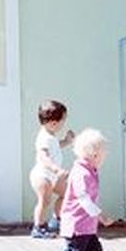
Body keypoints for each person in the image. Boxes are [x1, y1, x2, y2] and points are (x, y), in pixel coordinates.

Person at [51, 129, 126, 251]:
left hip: (85, 224)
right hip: (77, 224)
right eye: (103, 154)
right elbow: (83, 199)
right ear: (94, 154)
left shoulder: (88, 170)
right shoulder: (82, 173)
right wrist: (101, 216)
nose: (104, 158)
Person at [29, 100, 75, 239]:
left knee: (66, 194)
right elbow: (43, 156)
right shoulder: (43, 137)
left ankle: (56, 220)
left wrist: (66, 141)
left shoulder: (51, 136)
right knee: (45, 201)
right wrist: (56, 169)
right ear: (54, 123)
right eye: (63, 120)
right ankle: (38, 227)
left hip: (52, 176)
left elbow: (55, 147)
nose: (64, 123)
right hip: (42, 176)